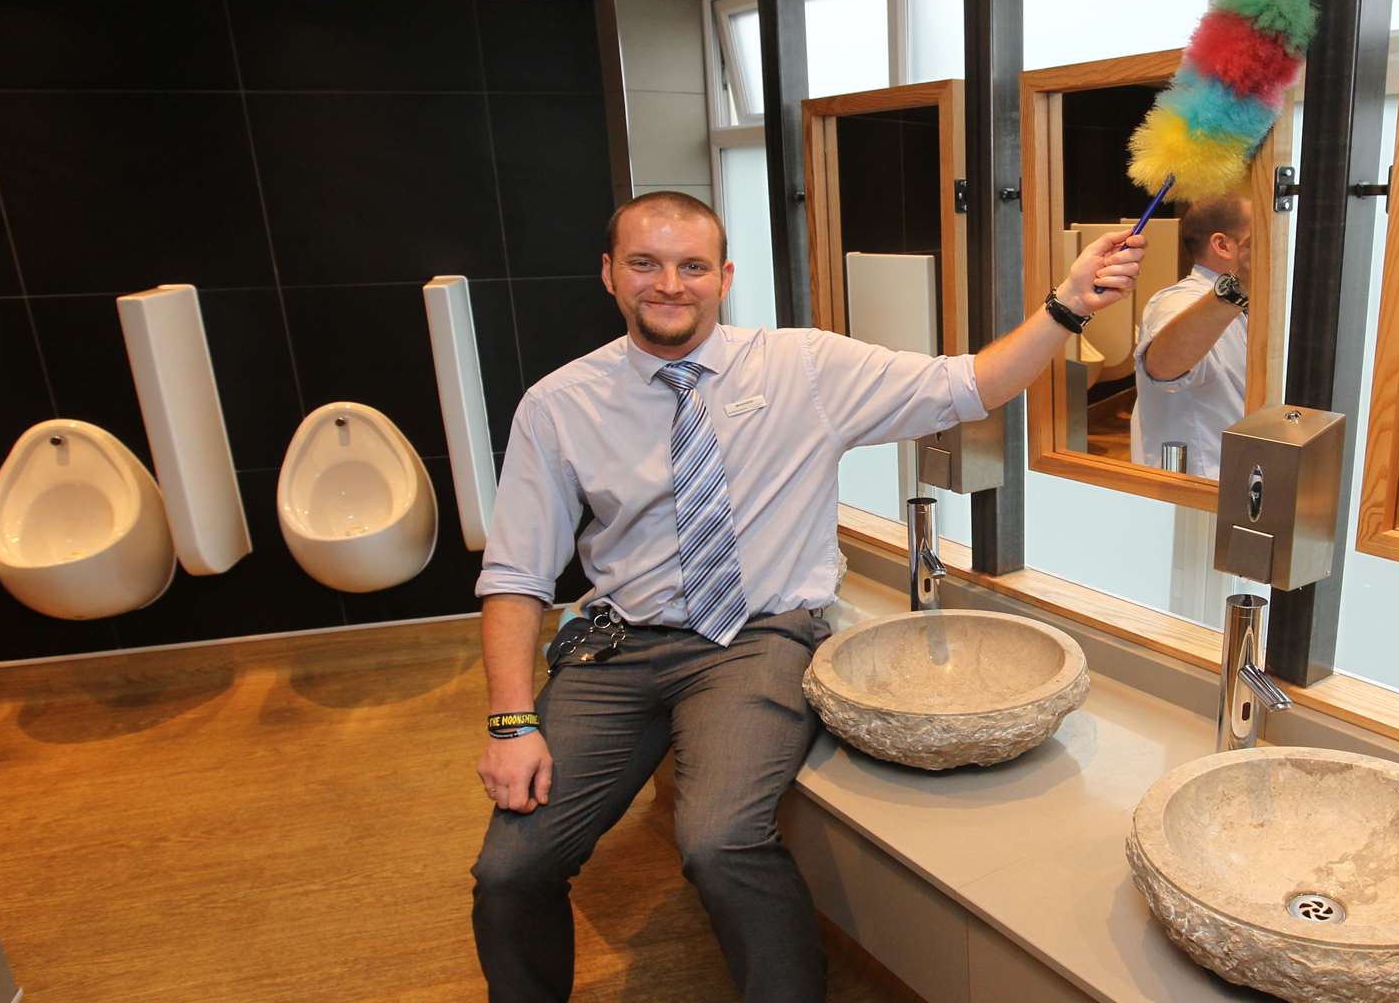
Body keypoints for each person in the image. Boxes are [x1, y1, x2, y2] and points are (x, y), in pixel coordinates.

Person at [468, 190, 1145, 1003]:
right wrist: (512, 722)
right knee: (508, 870)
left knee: (720, 841)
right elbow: (514, 576)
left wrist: (1067, 305)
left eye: (690, 266)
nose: (668, 285)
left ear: (723, 276)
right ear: (610, 273)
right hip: (617, 648)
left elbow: (967, 384)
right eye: (645, 263)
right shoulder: (559, 405)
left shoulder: (802, 367)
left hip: (756, 641)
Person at [1128, 195, 1253, 479]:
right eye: (1257, 239)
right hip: (1192, 489)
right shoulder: (1177, 300)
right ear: (1222, 245)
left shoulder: (1250, 307)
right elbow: (1162, 366)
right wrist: (1239, 286)